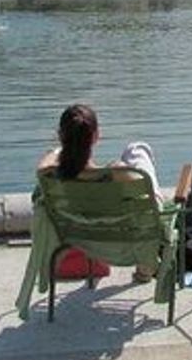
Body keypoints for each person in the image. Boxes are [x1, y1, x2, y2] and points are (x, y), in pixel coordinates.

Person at [37, 104, 161, 282]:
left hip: (84, 241)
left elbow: (42, 166)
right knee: (137, 149)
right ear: (96, 136)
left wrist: (58, 150)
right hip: (130, 245)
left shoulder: (51, 178)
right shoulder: (117, 172)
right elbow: (150, 205)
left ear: (60, 136)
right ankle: (144, 270)